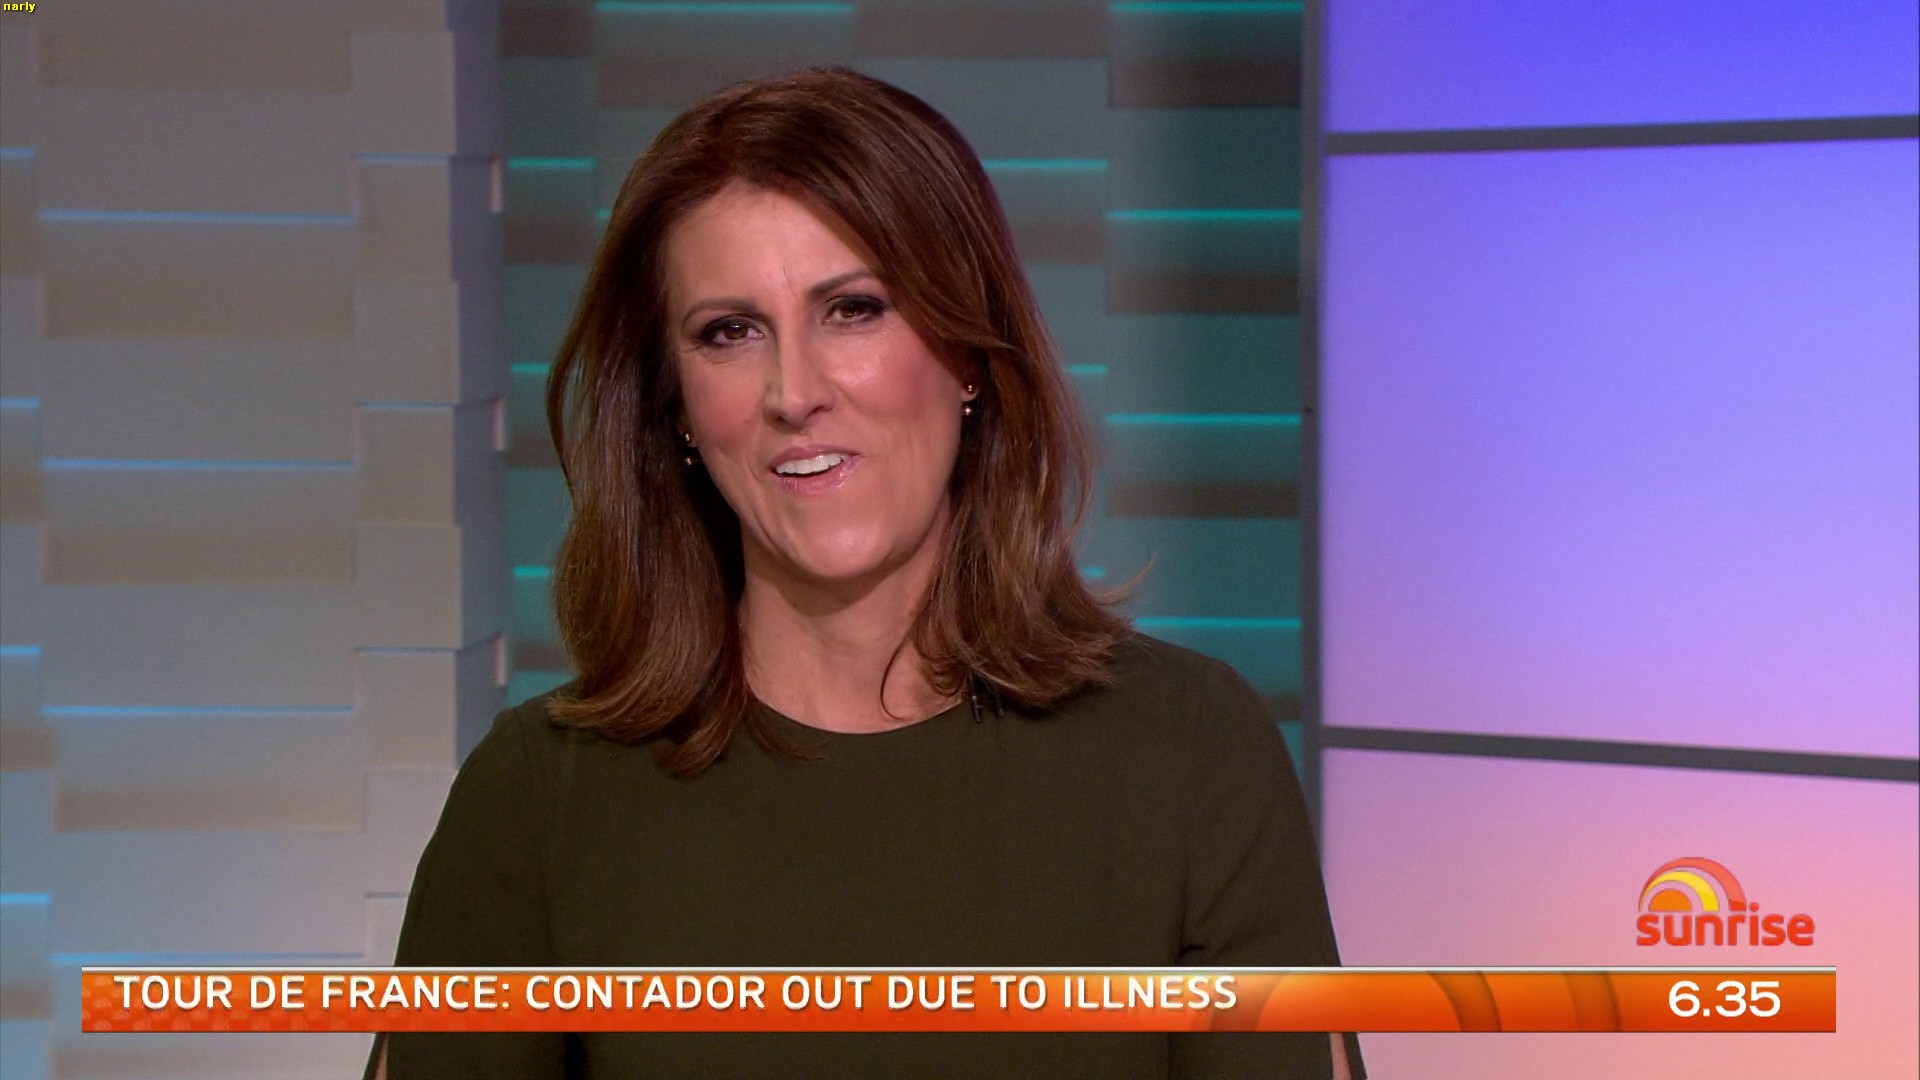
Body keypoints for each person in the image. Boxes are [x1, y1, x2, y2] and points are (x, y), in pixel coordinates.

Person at [367, 65, 1361, 1079]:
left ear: (968, 354)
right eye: (729, 332)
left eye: (853, 309)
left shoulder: (1191, 757)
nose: (794, 392)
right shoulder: (538, 799)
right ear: (675, 406)